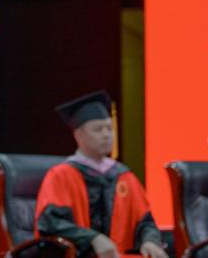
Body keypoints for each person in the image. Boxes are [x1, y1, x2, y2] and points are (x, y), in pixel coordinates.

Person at [35, 91, 167, 258]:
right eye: (98, 129)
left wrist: (149, 241)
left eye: (110, 128)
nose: (106, 135)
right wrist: (92, 238)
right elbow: (51, 224)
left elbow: (145, 221)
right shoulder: (61, 175)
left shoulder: (124, 176)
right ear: (78, 135)